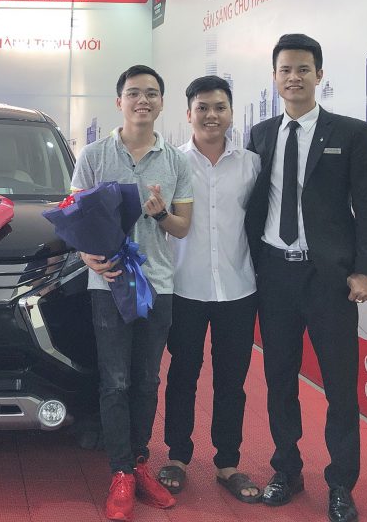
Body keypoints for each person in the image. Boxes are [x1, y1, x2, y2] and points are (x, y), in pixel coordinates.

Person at [245, 34, 367, 522]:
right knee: (279, 378)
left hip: (329, 278)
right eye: (285, 69)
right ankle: (286, 469)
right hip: (275, 274)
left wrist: (366, 269)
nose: (294, 77)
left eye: (303, 69)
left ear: (319, 75)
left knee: (340, 386)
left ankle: (341, 483)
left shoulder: (352, 132)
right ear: (274, 76)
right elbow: (252, 203)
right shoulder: (260, 134)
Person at [75, 64, 193, 522]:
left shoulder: (175, 161)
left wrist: (161, 214)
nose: (143, 100)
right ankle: (120, 471)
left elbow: (182, 228)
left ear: (162, 103)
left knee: (146, 380)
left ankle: (140, 461)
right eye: (134, 93)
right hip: (108, 284)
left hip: (158, 285)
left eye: (151, 93)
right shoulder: (94, 155)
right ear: (119, 101)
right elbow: (75, 217)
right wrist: (87, 256)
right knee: (115, 381)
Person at [158, 75, 262, 503]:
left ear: (231, 113)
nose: (211, 115)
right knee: (182, 375)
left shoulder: (251, 165)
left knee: (232, 381)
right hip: (185, 286)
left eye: (220, 107)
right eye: (202, 107)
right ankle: (177, 457)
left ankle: (228, 462)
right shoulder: (173, 163)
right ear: (189, 114)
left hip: (238, 288)